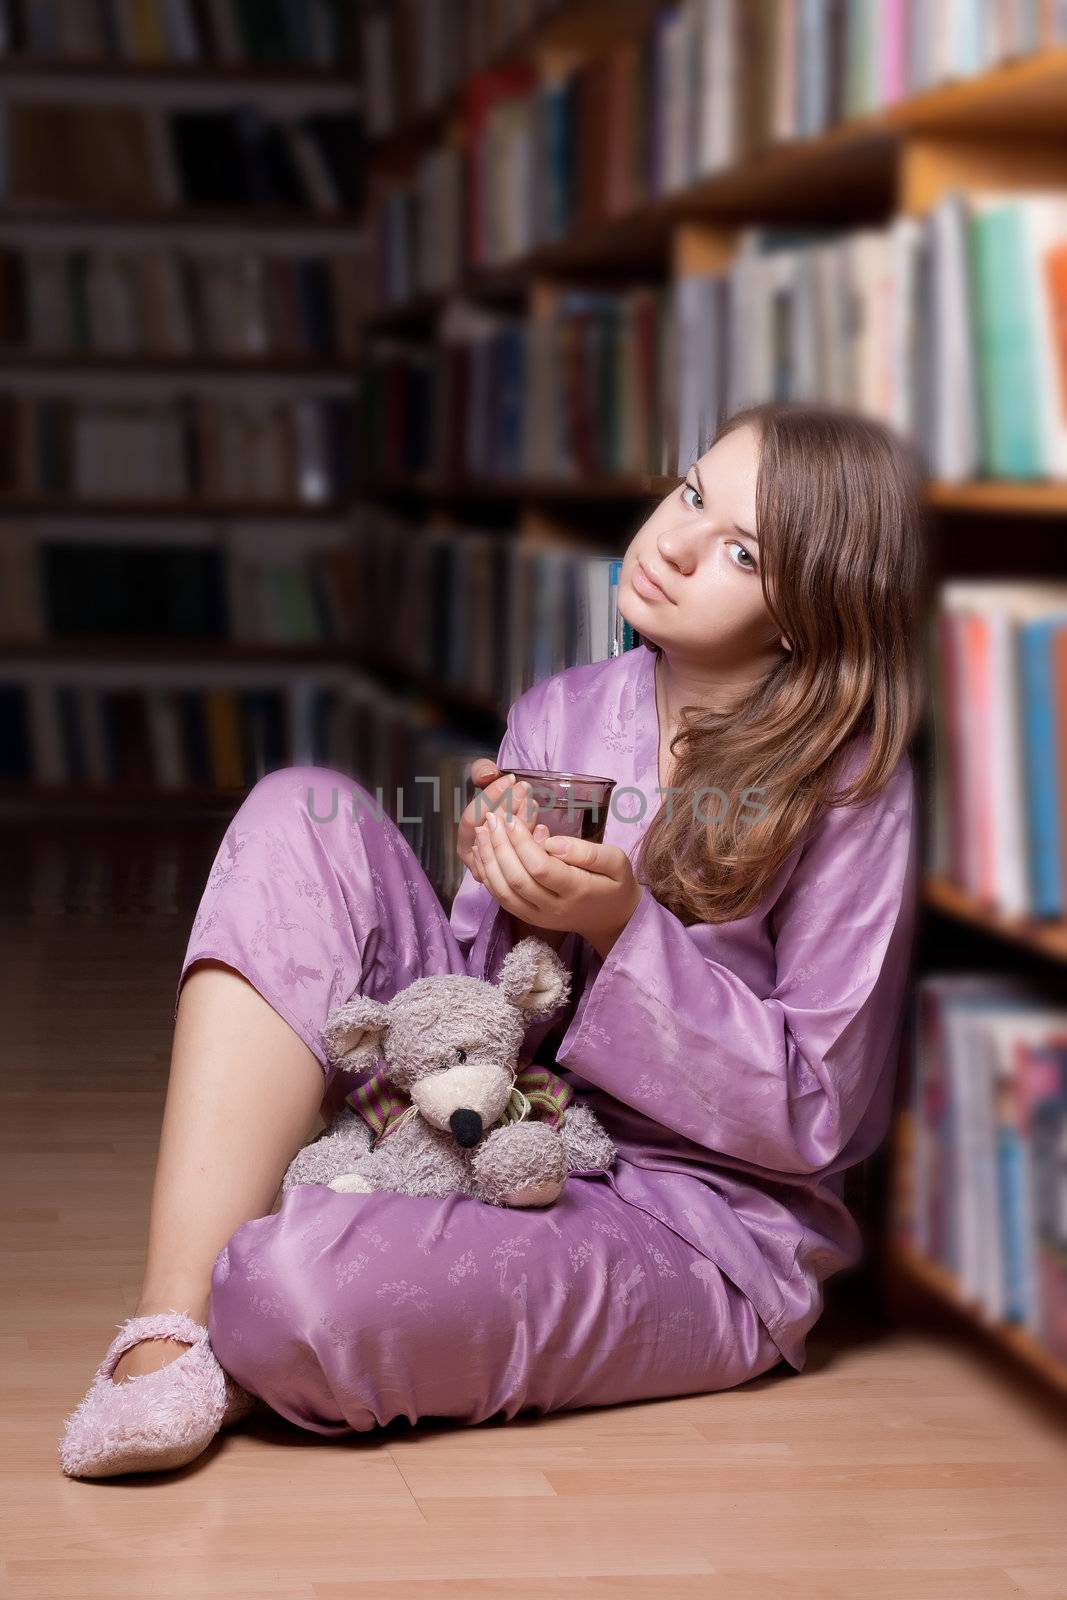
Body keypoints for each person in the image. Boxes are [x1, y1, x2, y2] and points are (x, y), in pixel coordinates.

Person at [58, 399, 927, 1479]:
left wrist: (619, 927)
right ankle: (169, 1327)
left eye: (739, 551)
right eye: (690, 492)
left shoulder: (853, 790)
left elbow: (818, 1115)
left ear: (808, 609)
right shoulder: (566, 708)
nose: (671, 541)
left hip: (692, 1224)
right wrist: (503, 886)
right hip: (502, 1118)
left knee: (288, 1290)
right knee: (295, 807)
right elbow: (479, 1015)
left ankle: (293, 1269)